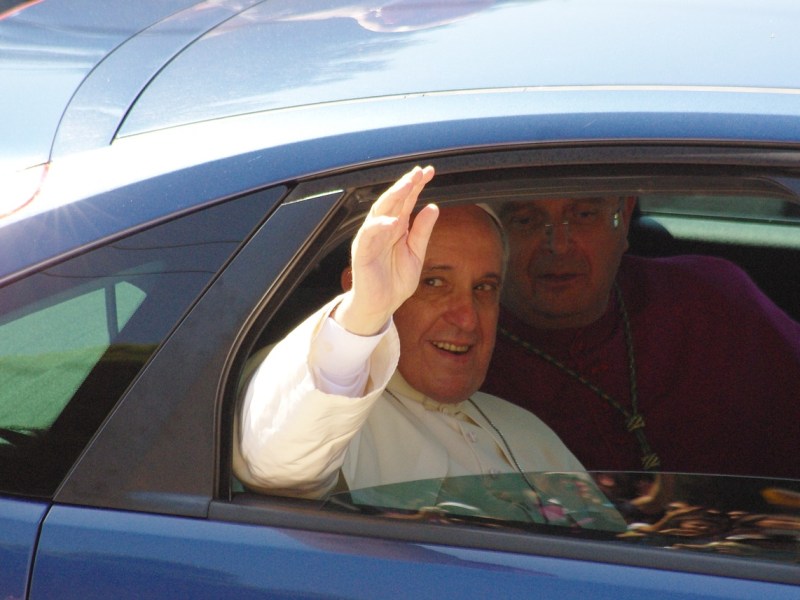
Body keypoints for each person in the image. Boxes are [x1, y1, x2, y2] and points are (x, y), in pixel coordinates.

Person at [232, 166, 588, 514]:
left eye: (484, 288)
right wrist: (363, 314)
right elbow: (274, 464)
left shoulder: (528, 430)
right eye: (433, 283)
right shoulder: (316, 383)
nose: (467, 319)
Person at [482, 196, 800, 479]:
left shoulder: (716, 299)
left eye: (584, 215)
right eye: (525, 220)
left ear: (624, 214)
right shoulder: (459, 349)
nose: (559, 244)